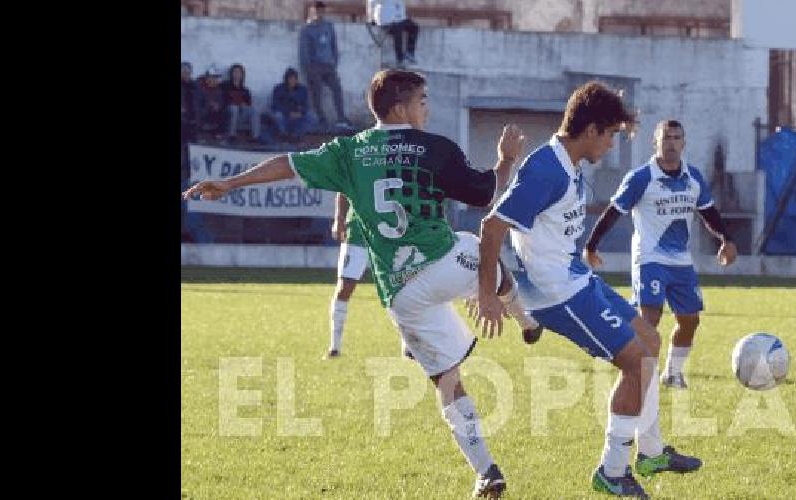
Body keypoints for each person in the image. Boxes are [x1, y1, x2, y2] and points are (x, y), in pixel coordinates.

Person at [183, 69, 540, 498]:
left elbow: (288, 164)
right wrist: (505, 158)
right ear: (400, 107)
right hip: (443, 262)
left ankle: (486, 471)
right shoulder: (435, 147)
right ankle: (525, 319)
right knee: (482, 247)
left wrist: (229, 183)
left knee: (448, 382)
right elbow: (487, 193)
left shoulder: (349, 151)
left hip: (402, 294)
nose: (428, 107)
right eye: (422, 100)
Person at [474, 82, 701, 499]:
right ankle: (612, 471)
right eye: (612, 134)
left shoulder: (568, 163)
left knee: (651, 340)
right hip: (557, 294)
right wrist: (488, 293)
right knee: (637, 364)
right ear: (592, 129)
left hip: (578, 279)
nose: (613, 144)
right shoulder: (546, 168)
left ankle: (649, 452)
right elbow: (492, 226)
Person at [583, 119, 737, 390]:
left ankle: (673, 373)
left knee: (690, 321)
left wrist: (726, 239)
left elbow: (708, 212)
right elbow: (613, 212)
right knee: (649, 320)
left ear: (684, 143)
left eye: (677, 138)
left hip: (681, 262)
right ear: (655, 143)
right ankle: (641, 376)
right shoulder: (641, 178)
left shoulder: (694, 178)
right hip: (650, 259)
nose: (672, 143)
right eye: (666, 138)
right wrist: (592, 245)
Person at [321, 192, 368, 360]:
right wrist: (339, 219)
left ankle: (408, 347)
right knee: (344, 288)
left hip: (390, 232)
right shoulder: (356, 164)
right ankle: (334, 347)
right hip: (357, 231)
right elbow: (343, 189)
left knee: (400, 288)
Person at [300, 1, 353, 130]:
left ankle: (341, 117)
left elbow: (333, 45)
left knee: (337, 89)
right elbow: (304, 50)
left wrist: (334, 61)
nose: (319, 13)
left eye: (321, 10)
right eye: (317, 10)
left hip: (328, 64)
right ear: (312, 11)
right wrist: (307, 67)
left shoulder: (329, 26)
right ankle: (321, 119)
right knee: (317, 93)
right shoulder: (307, 29)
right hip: (314, 65)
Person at [269, 67, 316, 143]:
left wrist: (300, 112)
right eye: (290, 79)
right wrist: (288, 113)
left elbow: (306, 105)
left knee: (312, 117)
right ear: (286, 79)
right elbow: (275, 105)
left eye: (294, 79)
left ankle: (297, 135)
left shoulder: (302, 90)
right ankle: (284, 135)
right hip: (284, 115)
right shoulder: (278, 89)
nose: (292, 81)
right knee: (277, 115)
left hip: (298, 115)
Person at [367, 0, 419, 67]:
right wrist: (371, 19)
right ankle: (400, 58)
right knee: (398, 30)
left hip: (400, 19)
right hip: (386, 21)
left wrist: (402, 17)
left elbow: (400, 6)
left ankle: (410, 53)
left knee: (414, 27)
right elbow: (372, 2)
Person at [221, 63, 262, 143]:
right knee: (234, 108)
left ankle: (255, 137)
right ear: (231, 73)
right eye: (235, 72)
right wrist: (234, 103)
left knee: (254, 109)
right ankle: (231, 135)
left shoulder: (245, 90)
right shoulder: (224, 86)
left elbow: (249, 104)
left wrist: (244, 105)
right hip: (229, 113)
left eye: (239, 72)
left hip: (241, 114)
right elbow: (222, 101)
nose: (237, 74)